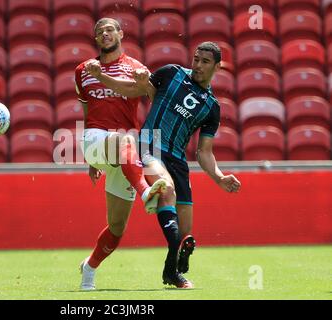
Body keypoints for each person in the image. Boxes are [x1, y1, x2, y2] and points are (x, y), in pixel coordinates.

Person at [84, 41, 242, 287]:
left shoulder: (212, 107)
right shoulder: (172, 73)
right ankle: (172, 267)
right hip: (150, 146)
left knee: (184, 233)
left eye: (205, 61)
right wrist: (104, 77)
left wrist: (219, 177)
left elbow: (204, 152)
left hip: (178, 159)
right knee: (164, 188)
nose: (198, 65)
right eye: (196, 59)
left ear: (217, 67)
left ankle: (172, 269)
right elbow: (134, 89)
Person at [75, 18, 173, 291]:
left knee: (116, 228)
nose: (104, 34)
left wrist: (147, 85)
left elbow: (152, 96)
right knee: (122, 139)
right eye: (99, 32)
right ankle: (145, 191)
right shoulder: (82, 70)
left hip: (126, 150)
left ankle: (89, 268)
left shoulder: (137, 68)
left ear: (120, 33)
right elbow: (87, 110)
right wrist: (92, 158)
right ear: (95, 39)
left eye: (109, 30)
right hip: (96, 138)